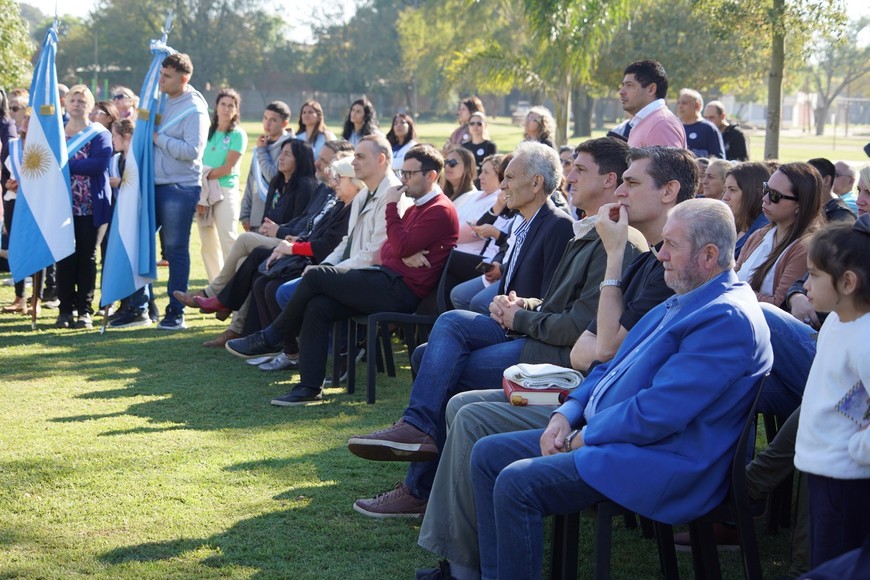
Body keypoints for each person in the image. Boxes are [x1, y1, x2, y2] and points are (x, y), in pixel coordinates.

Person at [413, 146, 699, 578]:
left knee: (462, 392)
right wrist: (529, 310)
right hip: (586, 389)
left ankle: (449, 543)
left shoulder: (656, 260)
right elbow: (592, 342)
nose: (620, 191)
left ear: (670, 192)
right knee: (455, 388)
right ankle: (455, 553)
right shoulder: (647, 255)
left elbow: (598, 349)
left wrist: (532, 318)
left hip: (595, 402)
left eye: (631, 182)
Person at [469, 198, 773, 579]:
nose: (660, 254)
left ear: (709, 255)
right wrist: (566, 414)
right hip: (621, 440)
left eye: (671, 246)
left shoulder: (725, 317)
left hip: (662, 460)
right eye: (662, 243)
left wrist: (583, 436)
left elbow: (658, 414)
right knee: (487, 453)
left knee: (516, 483)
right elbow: (609, 366)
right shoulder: (688, 296)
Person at [347, 140, 650, 519]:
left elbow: (578, 329)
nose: (569, 177)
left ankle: (420, 487)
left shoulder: (605, 237)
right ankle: (418, 434)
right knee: (444, 333)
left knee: (446, 371)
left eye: (579, 170)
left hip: (554, 358)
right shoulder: (590, 229)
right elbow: (560, 305)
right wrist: (523, 305)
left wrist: (520, 316)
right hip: (537, 335)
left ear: (608, 180)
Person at [225, 143, 460, 406]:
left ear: (431, 175)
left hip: (400, 290)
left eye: (409, 174)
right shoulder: (418, 204)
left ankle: (272, 336)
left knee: (316, 277)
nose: (403, 180)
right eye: (402, 172)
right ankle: (309, 388)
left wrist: (393, 214)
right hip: (386, 278)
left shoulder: (439, 208)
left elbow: (396, 246)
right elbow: (388, 247)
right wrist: (402, 251)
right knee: (318, 305)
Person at [795, 216, 870, 569]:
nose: (806, 284)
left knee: (837, 562)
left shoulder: (866, 338)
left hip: (847, 476)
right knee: (823, 559)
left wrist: (858, 448)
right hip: (823, 469)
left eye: (813, 275)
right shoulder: (838, 322)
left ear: (848, 282)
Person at [151, 52, 209, 330]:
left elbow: (192, 151)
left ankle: (176, 312)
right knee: (140, 244)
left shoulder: (195, 109)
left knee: (174, 250)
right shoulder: (160, 99)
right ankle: (140, 306)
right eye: (161, 73)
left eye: (166, 76)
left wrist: (159, 139)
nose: (160, 80)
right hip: (153, 183)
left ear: (183, 79)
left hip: (179, 187)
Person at [55, 85, 113, 329]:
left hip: (90, 205)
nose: (77, 104)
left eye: (82, 100)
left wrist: (65, 165)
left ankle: (84, 310)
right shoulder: (56, 133)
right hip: (61, 206)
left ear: (90, 106)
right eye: (73, 100)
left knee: (87, 257)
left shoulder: (99, 133)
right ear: (66, 103)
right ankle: (65, 310)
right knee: (64, 258)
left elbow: (98, 165)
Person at [734, 162, 822, 307]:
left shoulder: (805, 247)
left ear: (800, 204)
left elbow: (778, 303)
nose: (765, 198)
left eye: (775, 195)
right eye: (765, 189)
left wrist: (736, 291)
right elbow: (732, 278)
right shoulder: (759, 235)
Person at [197, 88, 248, 282]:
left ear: (236, 110)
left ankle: (234, 285)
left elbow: (227, 167)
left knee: (228, 238)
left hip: (225, 189)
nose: (226, 109)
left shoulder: (238, 135)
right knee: (207, 242)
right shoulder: (206, 131)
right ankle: (215, 287)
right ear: (216, 107)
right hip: (204, 190)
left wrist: (204, 175)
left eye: (231, 105)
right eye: (223, 104)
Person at [240, 101, 295, 232]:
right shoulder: (262, 145)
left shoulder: (290, 146)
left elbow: (274, 177)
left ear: (284, 123)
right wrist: (245, 213)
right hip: (256, 216)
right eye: (265, 118)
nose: (267, 123)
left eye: (273, 120)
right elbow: (251, 182)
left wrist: (261, 151)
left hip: (275, 220)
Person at [619, 59, 686, 149]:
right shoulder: (650, 120)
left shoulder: (662, 124)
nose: (621, 92)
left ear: (651, 89)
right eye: (623, 85)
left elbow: (668, 163)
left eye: (629, 85)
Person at [721, 162, 771, 258]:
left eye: (733, 190)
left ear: (753, 193)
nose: (725, 197)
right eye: (725, 189)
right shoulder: (733, 225)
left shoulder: (763, 231)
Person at [676, 88, 725, 159]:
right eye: (678, 103)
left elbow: (719, 159)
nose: (680, 106)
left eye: (684, 103)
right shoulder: (676, 128)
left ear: (697, 105)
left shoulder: (709, 128)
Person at [807, 157, 856, 223]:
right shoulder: (807, 207)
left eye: (809, 179)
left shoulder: (842, 216)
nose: (803, 184)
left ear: (826, 180)